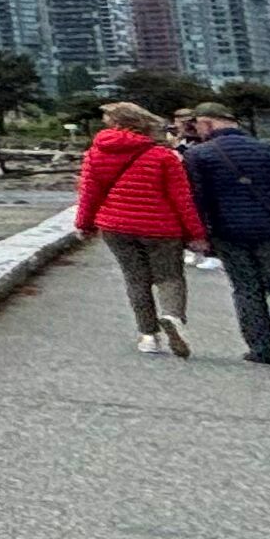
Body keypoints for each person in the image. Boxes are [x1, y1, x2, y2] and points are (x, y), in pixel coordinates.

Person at [179, 104, 270, 366]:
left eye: (197, 124)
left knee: (246, 289)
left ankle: (260, 348)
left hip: (227, 232)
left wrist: (199, 234)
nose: (195, 130)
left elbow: (196, 199)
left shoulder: (198, 156)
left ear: (208, 123)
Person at [72, 100, 205, 357]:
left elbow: (89, 194)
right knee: (170, 277)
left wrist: (84, 225)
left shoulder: (95, 154)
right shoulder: (163, 156)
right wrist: (196, 234)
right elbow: (182, 199)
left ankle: (148, 336)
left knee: (135, 279)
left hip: (116, 226)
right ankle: (172, 316)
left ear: (116, 124)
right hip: (161, 227)